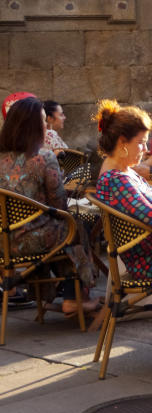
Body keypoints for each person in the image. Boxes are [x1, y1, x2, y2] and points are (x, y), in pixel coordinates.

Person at [0, 97, 99, 314]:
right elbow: (60, 205)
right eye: (43, 121)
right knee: (76, 223)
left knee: (62, 227)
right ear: (34, 126)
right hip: (34, 239)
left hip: (3, 242)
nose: (46, 125)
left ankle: (48, 291)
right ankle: (75, 296)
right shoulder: (43, 158)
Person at [94, 100, 152, 282]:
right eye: (142, 143)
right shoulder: (116, 179)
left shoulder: (124, 172)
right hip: (151, 262)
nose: (146, 149)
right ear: (122, 142)